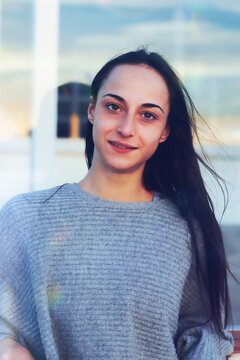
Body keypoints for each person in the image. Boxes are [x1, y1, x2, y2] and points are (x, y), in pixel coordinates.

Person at [0, 49, 234, 359]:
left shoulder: (184, 229)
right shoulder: (25, 217)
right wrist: (7, 346)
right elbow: (5, 322)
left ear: (164, 132)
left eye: (147, 115)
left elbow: (202, 333)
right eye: (114, 107)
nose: (126, 128)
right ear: (92, 111)